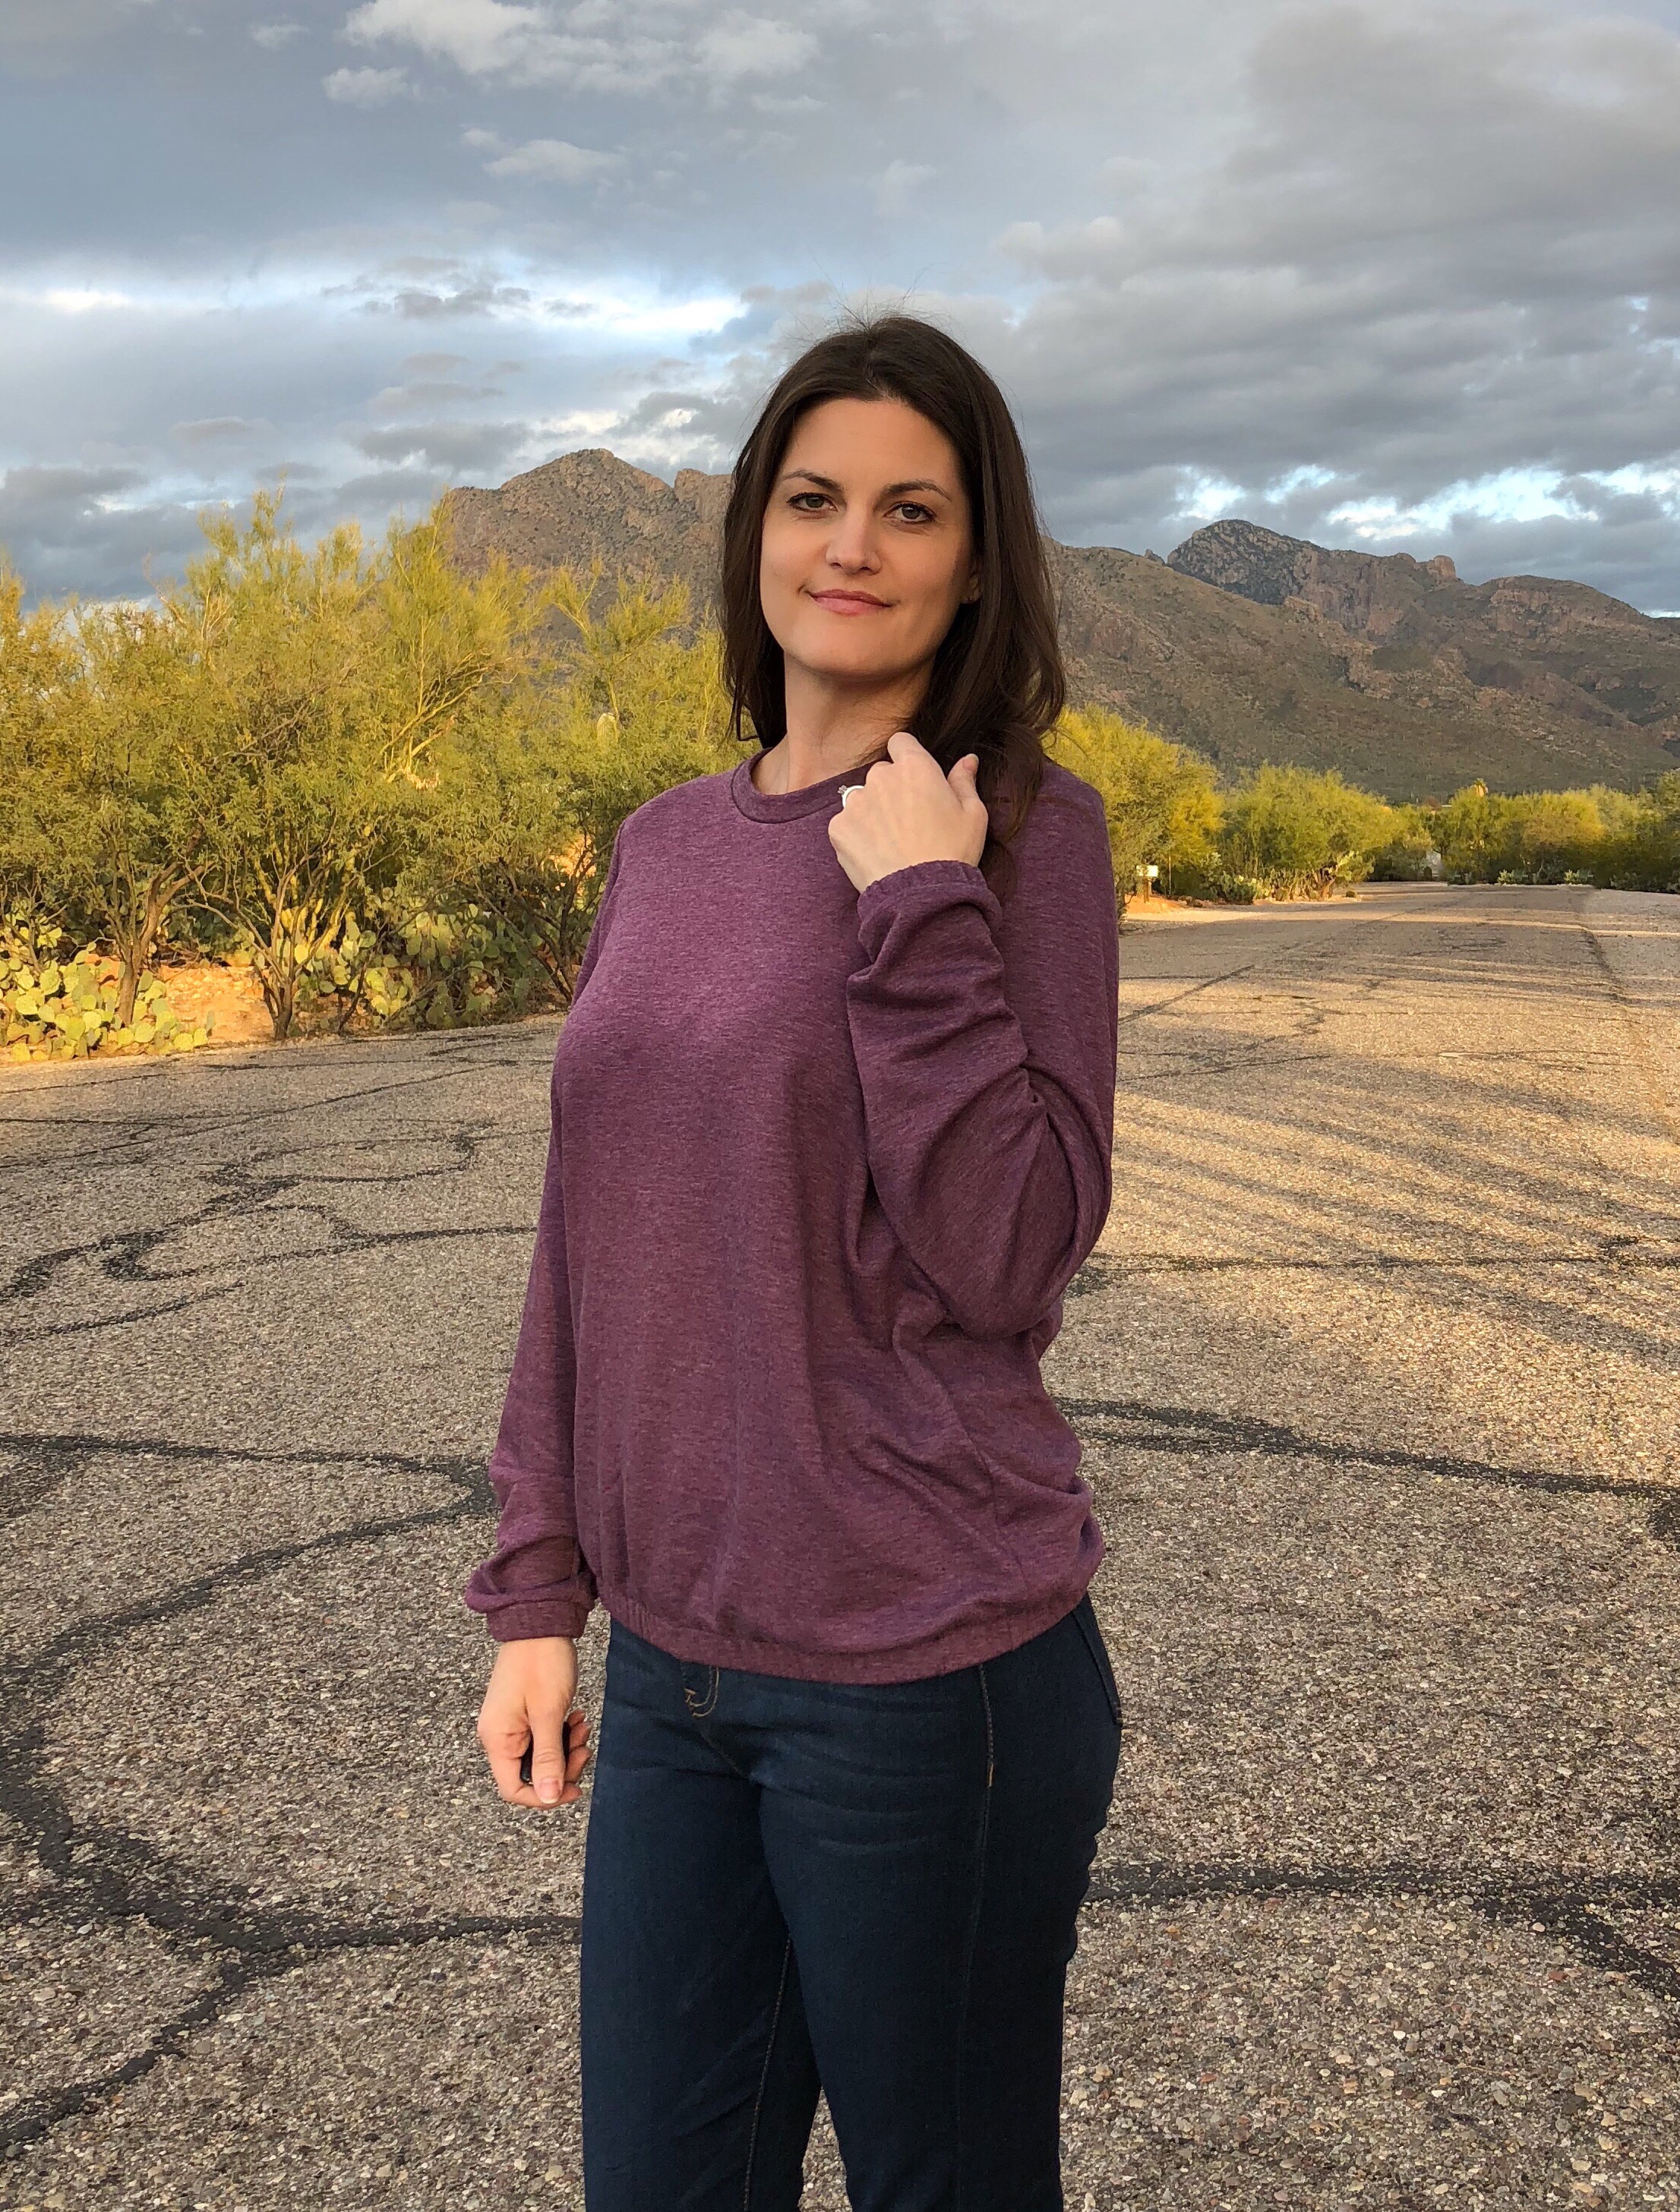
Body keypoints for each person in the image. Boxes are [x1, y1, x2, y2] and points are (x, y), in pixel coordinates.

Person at [464, 311, 1123, 2210]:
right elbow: (585, 1235)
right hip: (676, 1668)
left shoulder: (1023, 835)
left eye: (910, 509)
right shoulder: (661, 843)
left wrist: (918, 895)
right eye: (812, 497)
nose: (851, 544)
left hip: (925, 1669)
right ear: (754, 528)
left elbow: (1010, 1248)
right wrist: (536, 1591)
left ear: (974, 562)